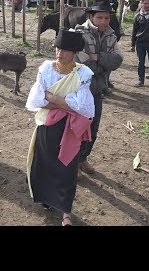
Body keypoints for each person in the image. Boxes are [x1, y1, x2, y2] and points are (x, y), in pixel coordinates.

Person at [26, 28, 95, 226]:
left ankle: (66, 212)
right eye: (58, 48)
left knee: (67, 167)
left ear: (75, 52)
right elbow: (37, 98)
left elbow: (83, 105)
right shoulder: (46, 69)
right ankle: (48, 199)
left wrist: (52, 97)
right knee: (45, 163)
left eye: (65, 49)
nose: (60, 53)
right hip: (47, 126)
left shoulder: (83, 73)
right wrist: (63, 102)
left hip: (70, 128)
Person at [75, 0, 123, 176]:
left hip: (97, 89)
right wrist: (104, 62)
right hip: (79, 90)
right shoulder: (79, 33)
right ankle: (73, 163)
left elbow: (117, 60)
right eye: (100, 17)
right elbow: (80, 62)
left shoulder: (111, 35)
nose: (104, 21)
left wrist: (97, 57)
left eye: (107, 18)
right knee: (77, 128)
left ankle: (82, 159)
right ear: (91, 16)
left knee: (93, 129)